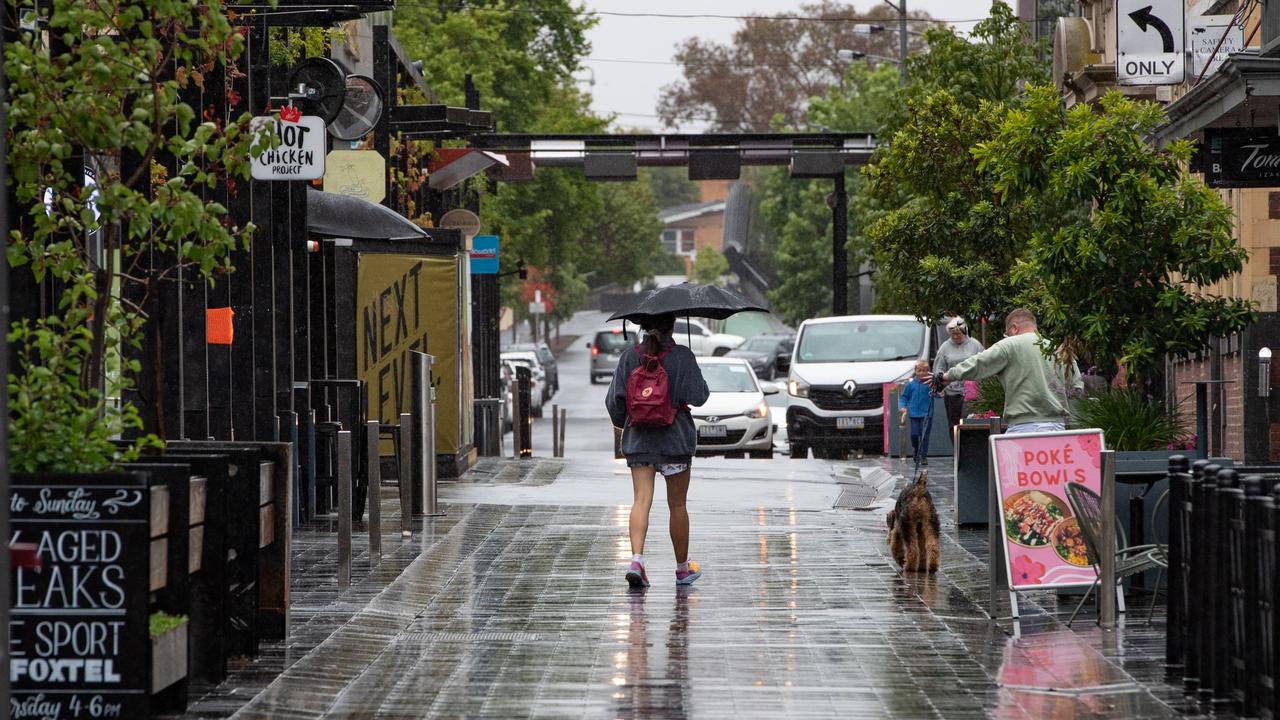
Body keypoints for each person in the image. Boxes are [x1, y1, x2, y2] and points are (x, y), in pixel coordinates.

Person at [605, 313, 710, 589]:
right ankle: (681, 570)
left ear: (641, 326)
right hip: (675, 444)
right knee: (677, 505)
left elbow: (614, 402)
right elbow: (700, 396)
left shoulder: (629, 357)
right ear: (672, 325)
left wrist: (627, 421)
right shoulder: (682, 356)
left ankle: (637, 561)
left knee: (641, 501)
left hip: (639, 443)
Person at [941, 308, 1082, 434]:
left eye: (1007, 333)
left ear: (1014, 328)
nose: (1007, 336)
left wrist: (948, 376)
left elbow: (979, 363)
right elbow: (1077, 386)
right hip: (1057, 428)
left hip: (1023, 427)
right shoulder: (1057, 348)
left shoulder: (1009, 345)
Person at [932, 317, 984, 439]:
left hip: (972, 391)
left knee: (970, 421)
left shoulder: (975, 345)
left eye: (958, 333)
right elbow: (938, 368)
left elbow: (984, 363)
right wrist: (939, 382)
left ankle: (970, 449)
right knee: (954, 424)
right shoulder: (945, 347)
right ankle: (957, 451)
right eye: (952, 334)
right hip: (952, 391)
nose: (955, 336)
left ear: (964, 331)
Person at [898, 360, 936, 466]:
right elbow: (904, 397)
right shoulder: (911, 384)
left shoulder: (930, 383)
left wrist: (939, 393)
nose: (922, 373)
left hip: (927, 414)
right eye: (919, 371)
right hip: (914, 414)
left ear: (928, 372)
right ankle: (916, 449)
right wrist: (903, 407)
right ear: (915, 371)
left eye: (925, 371)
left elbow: (936, 393)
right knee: (914, 435)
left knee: (924, 436)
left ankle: (923, 456)